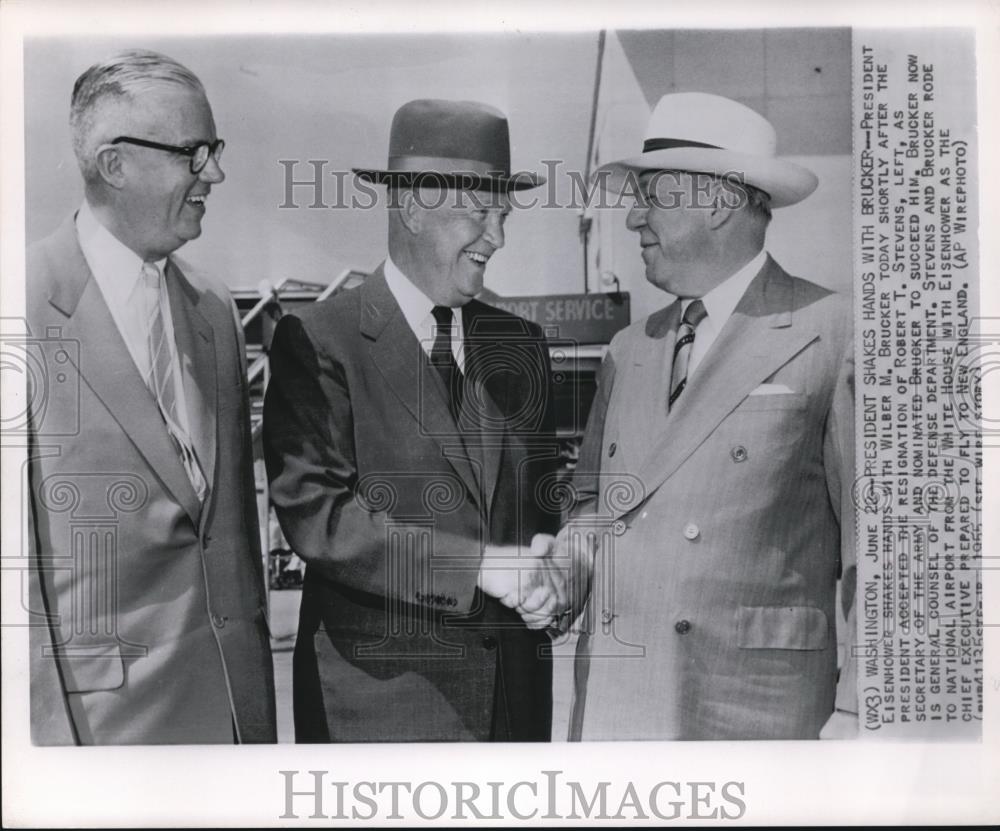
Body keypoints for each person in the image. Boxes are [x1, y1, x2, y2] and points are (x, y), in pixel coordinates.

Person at [263, 99, 564, 742]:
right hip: (378, 721)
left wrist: (555, 570)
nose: (498, 238)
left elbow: (545, 504)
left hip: (512, 713)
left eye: (503, 215)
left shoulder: (523, 346)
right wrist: (476, 566)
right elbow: (319, 518)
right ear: (412, 206)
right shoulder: (319, 339)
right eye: (480, 213)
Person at [566, 92, 857, 740]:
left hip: (753, 720)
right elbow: (592, 504)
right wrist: (567, 559)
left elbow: (881, 557)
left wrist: (858, 712)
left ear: (721, 201)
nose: (635, 219)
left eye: (652, 196)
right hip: (618, 712)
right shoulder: (626, 349)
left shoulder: (834, 332)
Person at [26, 49, 276, 744]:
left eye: (214, 150)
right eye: (192, 154)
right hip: (103, 737)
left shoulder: (216, 310)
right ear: (114, 165)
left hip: (233, 724)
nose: (214, 174)